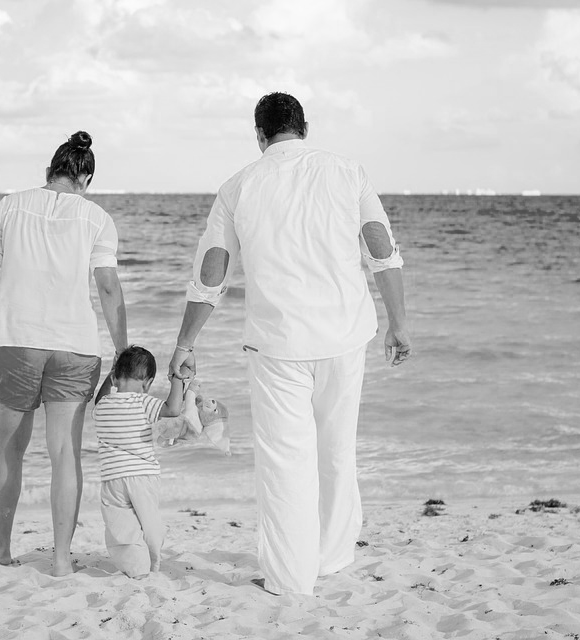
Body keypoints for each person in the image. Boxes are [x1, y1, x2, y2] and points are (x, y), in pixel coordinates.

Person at [169, 93, 412, 596]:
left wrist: (185, 341)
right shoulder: (348, 172)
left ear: (259, 136)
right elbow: (381, 249)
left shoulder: (238, 186)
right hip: (345, 336)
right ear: (305, 128)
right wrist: (399, 323)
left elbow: (212, 269)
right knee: (336, 449)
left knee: (284, 460)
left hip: (278, 345)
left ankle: (290, 577)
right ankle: (332, 556)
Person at [0, 131, 128, 576]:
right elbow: (108, 287)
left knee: (9, 451)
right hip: (74, 346)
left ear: (49, 171)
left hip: (15, 340)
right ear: (85, 178)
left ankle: (1, 548)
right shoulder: (97, 219)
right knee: (65, 455)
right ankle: (59, 560)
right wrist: (122, 349)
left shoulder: (8, 206)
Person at [92, 346, 184, 577]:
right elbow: (173, 410)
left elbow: (99, 397)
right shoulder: (144, 402)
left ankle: (136, 567)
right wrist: (177, 380)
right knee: (149, 520)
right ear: (148, 383)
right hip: (143, 475)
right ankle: (153, 557)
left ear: (114, 377)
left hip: (112, 478)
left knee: (120, 524)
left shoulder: (102, 406)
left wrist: (110, 373)